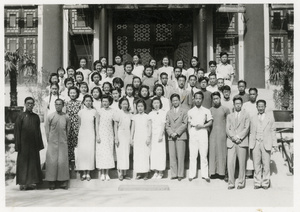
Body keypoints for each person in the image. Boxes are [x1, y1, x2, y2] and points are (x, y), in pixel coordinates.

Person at [14, 97, 44, 190]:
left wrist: (39, 144)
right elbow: (17, 131)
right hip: (23, 144)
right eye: (28, 103)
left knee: (33, 163)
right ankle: (22, 183)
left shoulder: (36, 117)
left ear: (34, 105)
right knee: (23, 163)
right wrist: (17, 144)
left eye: (31, 103)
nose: (30, 105)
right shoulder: (21, 116)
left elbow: (38, 131)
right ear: (25, 104)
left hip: (34, 144)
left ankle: (32, 182)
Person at [249, 100, 278, 189]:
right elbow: (250, 132)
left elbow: (273, 131)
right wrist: (251, 144)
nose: (260, 108)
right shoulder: (253, 118)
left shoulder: (270, 118)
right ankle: (257, 182)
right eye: (259, 106)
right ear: (256, 107)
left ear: (265, 107)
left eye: (262, 106)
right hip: (255, 143)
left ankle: (265, 182)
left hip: (266, 143)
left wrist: (275, 144)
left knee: (266, 164)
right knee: (256, 164)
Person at [45, 99, 70, 190]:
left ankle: (63, 181)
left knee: (62, 161)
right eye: (57, 104)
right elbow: (47, 129)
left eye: (60, 104)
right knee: (52, 161)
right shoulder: (50, 116)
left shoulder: (66, 117)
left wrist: (65, 138)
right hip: (52, 141)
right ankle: (52, 182)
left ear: (63, 105)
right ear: (54, 105)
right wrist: (49, 139)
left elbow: (68, 129)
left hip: (62, 141)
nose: (58, 106)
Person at [187, 91, 213, 182]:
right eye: (196, 98)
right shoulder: (190, 111)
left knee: (203, 153)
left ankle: (205, 175)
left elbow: (210, 122)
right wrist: (190, 132)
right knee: (193, 154)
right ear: (193, 99)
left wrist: (203, 126)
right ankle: (192, 174)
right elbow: (189, 124)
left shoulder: (206, 110)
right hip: (193, 131)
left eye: (200, 98)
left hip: (203, 131)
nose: (198, 100)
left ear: (202, 99)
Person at [226, 97, 250, 190]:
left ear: (242, 104)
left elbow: (246, 128)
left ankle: (241, 182)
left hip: (242, 142)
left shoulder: (246, 115)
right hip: (231, 142)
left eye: (239, 103)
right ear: (233, 104)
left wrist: (239, 137)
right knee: (230, 163)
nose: (238, 105)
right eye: (236, 103)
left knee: (241, 163)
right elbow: (227, 129)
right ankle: (231, 182)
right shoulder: (229, 116)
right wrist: (233, 137)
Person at [75, 95, 99, 181]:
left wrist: (97, 135)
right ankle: (83, 173)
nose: (88, 102)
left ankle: (88, 173)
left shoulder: (94, 112)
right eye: (86, 101)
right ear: (83, 102)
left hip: (91, 134)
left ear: (92, 102)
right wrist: (78, 136)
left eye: (90, 101)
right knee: (83, 153)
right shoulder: (80, 112)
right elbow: (79, 125)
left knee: (89, 153)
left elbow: (96, 125)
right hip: (82, 134)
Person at [166, 94, 188, 181]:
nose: (175, 102)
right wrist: (171, 133)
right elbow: (167, 125)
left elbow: (185, 123)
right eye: (173, 100)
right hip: (171, 136)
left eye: (176, 100)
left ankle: (180, 174)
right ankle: (173, 174)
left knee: (180, 155)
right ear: (171, 102)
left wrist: (177, 132)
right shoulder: (169, 112)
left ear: (179, 101)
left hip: (181, 136)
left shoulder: (184, 111)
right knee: (172, 156)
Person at [209, 92, 230, 179]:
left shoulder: (225, 109)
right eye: (214, 99)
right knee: (213, 153)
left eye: (217, 98)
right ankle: (213, 172)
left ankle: (222, 173)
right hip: (213, 134)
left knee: (222, 153)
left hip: (222, 134)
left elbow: (229, 123)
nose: (215, 100)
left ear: (220, 99)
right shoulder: (210, 110)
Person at [131, 99, 152, 180]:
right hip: (137, 138)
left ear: (144, 107)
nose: (140, 108)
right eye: (138, 106)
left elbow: (150, 127)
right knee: (137, 155)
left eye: (142, 106)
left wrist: (148, 137)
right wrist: (131, 138)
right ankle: (139, 173)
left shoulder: (147, 116)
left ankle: (146, 173)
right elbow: (133, 128)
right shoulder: (134, 117)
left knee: (145, 155)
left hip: (145, 137)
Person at [96, 95, 115, 181]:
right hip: (101, 134)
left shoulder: (113, 111)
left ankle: (107, 173)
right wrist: (97, 135)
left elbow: (114, 124)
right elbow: (96, 124)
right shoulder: (99, 111)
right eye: (103, 101)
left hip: (109, 135)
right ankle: (102, 173)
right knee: (102, 154)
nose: (105, 103)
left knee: (108, 153)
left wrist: (114, 135)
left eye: (106, 101)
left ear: (109, 102)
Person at [114, 97, 132, 180]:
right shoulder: (118, 113)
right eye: (123, 104)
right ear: (120, 104)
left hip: (127, 134)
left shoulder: (129, 114)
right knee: (120, 154)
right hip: (120, 134)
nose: (125, 105)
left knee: (126, 154)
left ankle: (125, 173)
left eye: (126, 104)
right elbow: (115, 126)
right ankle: (120, 173)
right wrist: (116, 137)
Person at [149, 97, 167, 179]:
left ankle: (161, 172)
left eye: (157, 103)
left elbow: (163, 124)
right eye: (154, 103)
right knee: (154, 153)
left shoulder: (163, 113)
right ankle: (155, 171)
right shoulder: (150, 114)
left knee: (160, 153)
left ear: (160, 104)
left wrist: (161, 134)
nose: (156, 105)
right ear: (152, 104)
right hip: (153, 135)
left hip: (160, 135)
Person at [243, 87, 259, 178]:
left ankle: (257, 171)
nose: (252, 96)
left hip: (257, 131)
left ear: (257, 95)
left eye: (254, 94)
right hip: (248, 130)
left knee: (256, 151)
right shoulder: (245, 105)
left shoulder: (259, 104)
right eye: (251, 94)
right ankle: (249, 172)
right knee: (248, 151)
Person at [65, 86, 82, 163]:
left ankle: (77, 160)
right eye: (71, 93)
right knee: (69, 143)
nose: (72, 94)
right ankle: (69, 160)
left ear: (77, 93)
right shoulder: (66, 103)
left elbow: (81, 115)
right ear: (68, 94)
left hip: (77, 125)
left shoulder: (80, 103)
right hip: (69, 125)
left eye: (74, 93)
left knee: (77, 142)